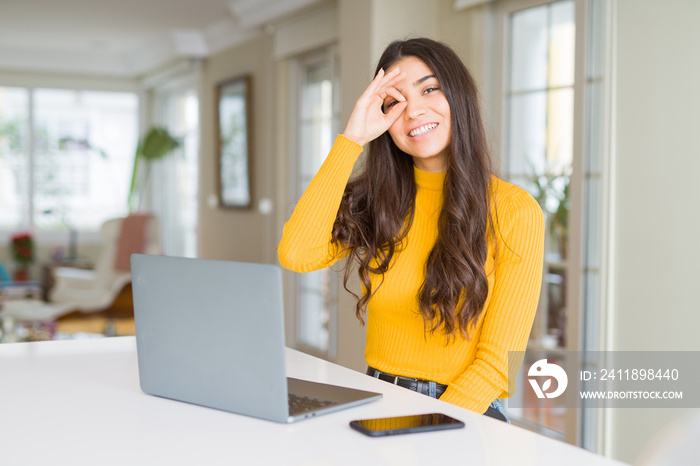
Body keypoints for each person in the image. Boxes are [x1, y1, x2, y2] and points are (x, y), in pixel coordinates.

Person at [278, 38, 544, 422]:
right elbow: (296, 253)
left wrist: (427, 430)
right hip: (377, 397)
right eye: (394, 101)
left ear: (459, 96)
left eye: (430, 88)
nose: (414, 111)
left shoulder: (515, 211)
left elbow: (497, 366)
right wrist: (351, 138)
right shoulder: (377, 202)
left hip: (463, 413)